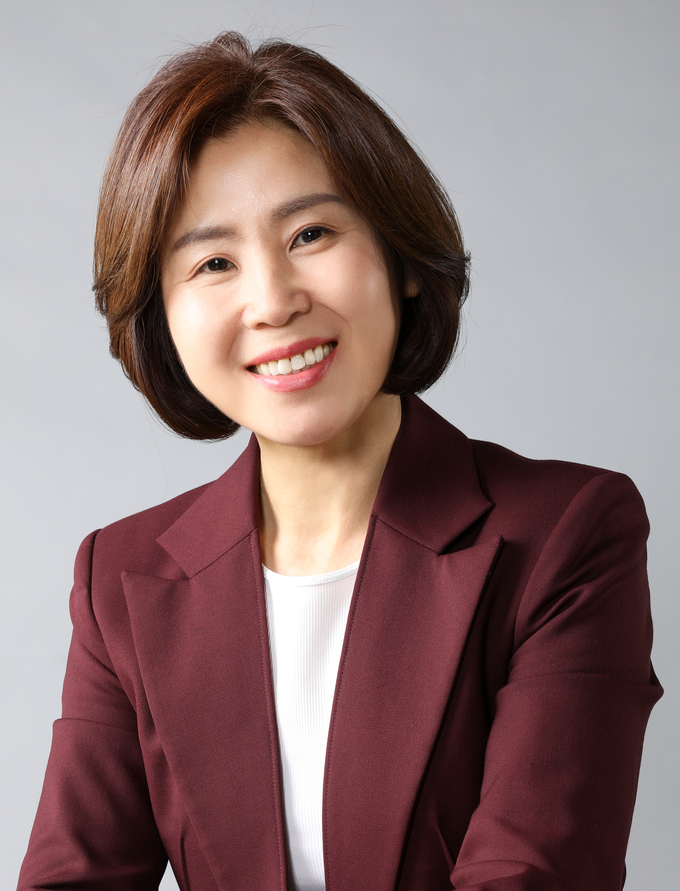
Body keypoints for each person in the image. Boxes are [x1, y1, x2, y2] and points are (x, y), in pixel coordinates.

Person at [17, 31, 661, 891]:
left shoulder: (565, 536)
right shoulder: (120, 579)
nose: (273, 301)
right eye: (214, 262)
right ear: (161, 318)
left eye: (311, 233)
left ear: (398, 255)